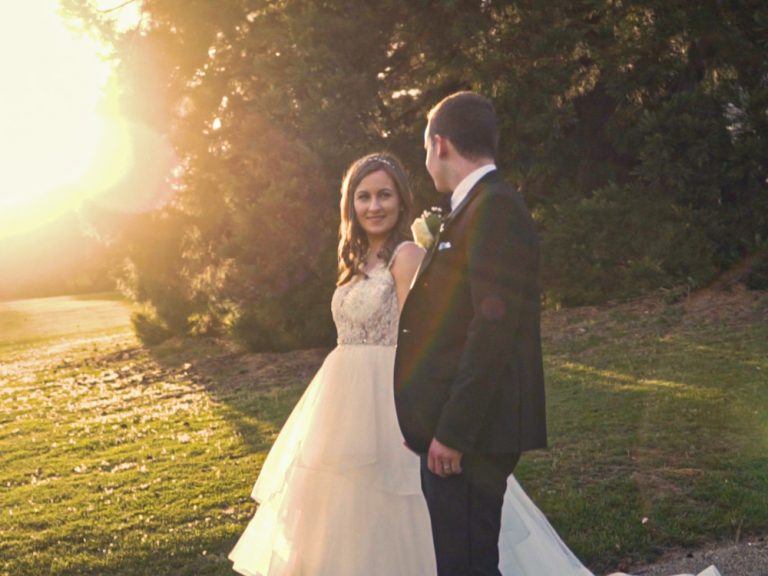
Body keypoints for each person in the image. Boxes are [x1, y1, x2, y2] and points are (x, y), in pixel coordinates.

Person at [228, 152, 436, 575]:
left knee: (394, 499)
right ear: (350, 204)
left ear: (400, 201)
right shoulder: (353, 261)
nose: (373, 206)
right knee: (336, 505)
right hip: (341, 398)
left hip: (390, 395)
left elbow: (422, 342)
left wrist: (417, 415)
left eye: (384, 195)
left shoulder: (407, 256)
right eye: (363, 196)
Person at [394, 90, 547, 576]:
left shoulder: (493, 208)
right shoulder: (474, 206)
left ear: (439, 144)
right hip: (457, 427)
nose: (427, 158)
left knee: (466, 567)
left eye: (424, 148)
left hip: (472, 435)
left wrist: (453, 433)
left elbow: (491, 332)